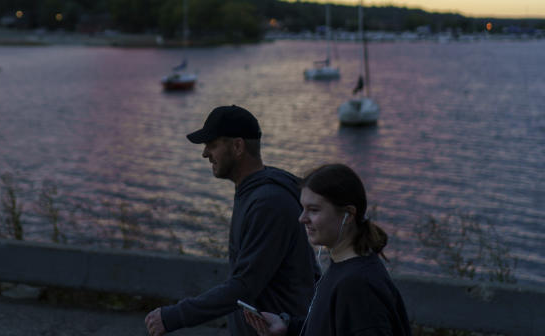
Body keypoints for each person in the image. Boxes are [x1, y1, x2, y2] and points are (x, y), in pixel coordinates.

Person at [145, 105, 317, 336]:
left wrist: (174, 316)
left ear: (237, 146)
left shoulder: (268, 203)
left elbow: (244, 285)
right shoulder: (254, 193)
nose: (205, 153)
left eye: (212, 145)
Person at [244, 163, 411, 336]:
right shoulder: (343, 267)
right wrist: (288, 327)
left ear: (348, 214)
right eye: (303, 208)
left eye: (313, 210)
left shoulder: (356, 285)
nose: (302, 219)